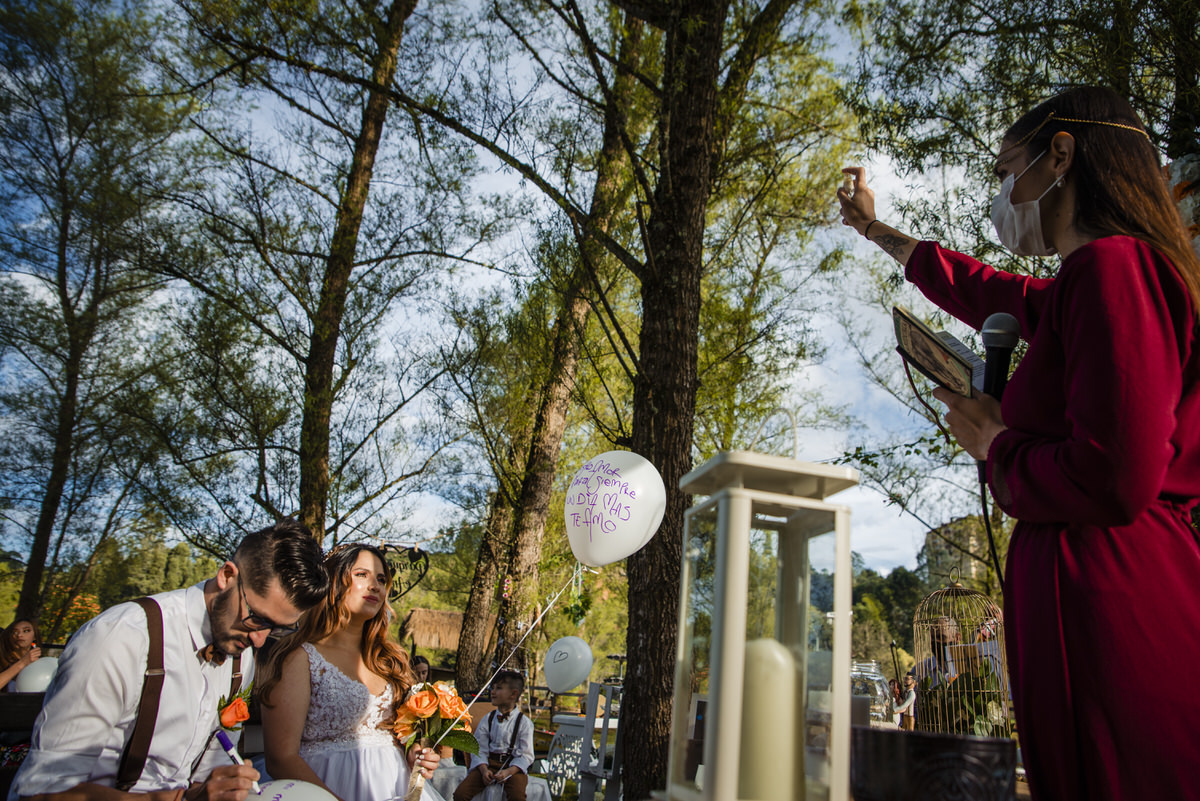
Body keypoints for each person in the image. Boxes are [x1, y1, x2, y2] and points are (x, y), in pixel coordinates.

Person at [838, 86, 1200, 801]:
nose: (1002, 194)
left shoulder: (1114, 268)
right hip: (1090, 596)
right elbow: (987, 291)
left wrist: (996, 442)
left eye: (1008, 171)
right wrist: (877, 233)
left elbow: (1117, 477)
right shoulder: (1084, 284)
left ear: (1060, 155)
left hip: (1114, 605)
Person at [9, 518, 329, 801]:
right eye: (257, 618)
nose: (259, 640)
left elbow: (205, 777)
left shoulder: (239, 656)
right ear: (227, 576)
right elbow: (43, 793)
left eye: (277, 628)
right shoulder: (121, 637)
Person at [258, 543, 442, 801]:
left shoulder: (390, 662)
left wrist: (415, 752)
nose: (375, 586)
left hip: (397, 789)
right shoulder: (300, 659)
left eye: (381, 579)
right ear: (333, 581)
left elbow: (404, 735)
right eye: (362, 575)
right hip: (326, 788)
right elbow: (280, 759)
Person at [452, 670, 534, 801]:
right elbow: (479, 749)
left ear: (514, 694)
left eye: (499, 688)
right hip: (488, 764)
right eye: (493, 688)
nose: (493, 692)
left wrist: (509, 772)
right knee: (460, 794)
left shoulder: (524, 723)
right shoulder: (487, 719)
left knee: (517, 796)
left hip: (513, 767)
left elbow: (526, 755)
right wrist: (484, 770)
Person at [0, 618, 42, 692]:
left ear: (35, 636)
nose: (19, 635)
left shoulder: (41, 664)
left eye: (26, 631)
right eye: (15, 632)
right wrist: (22, 663)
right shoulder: (2, 661)